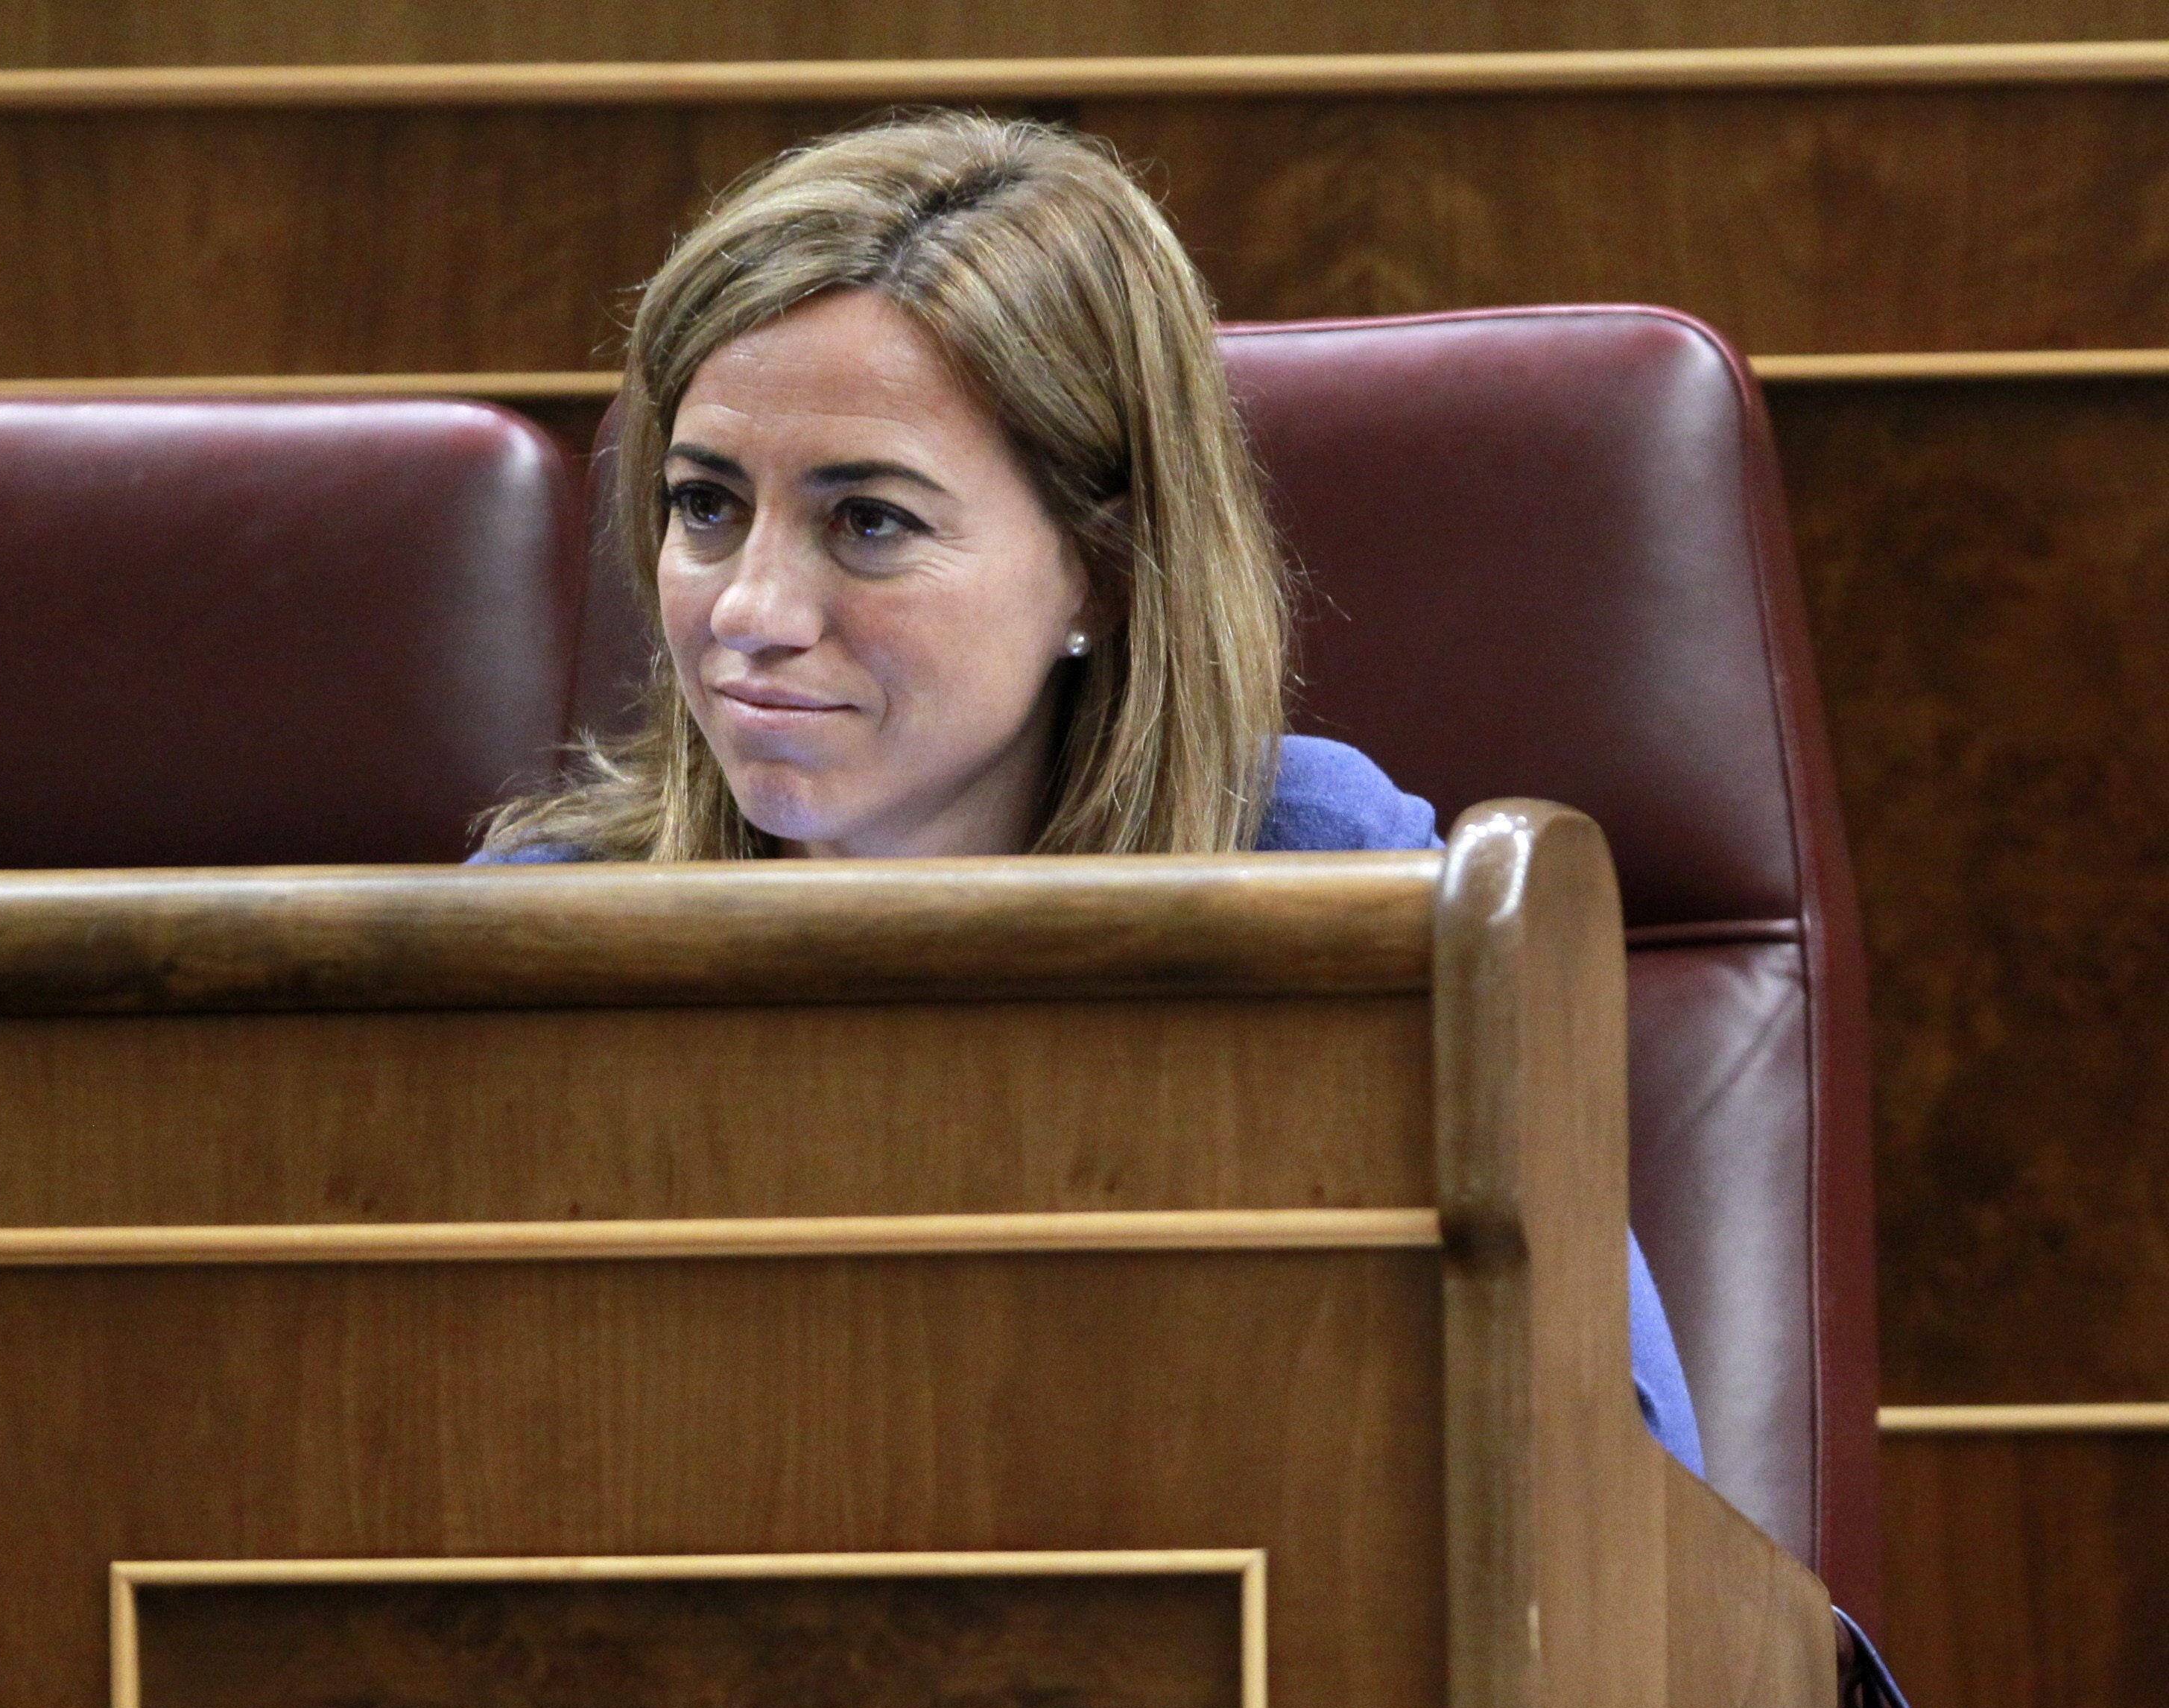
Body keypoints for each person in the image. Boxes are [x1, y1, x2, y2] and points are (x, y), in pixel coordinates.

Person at [474, 111, 1705, 1473]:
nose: (748, 610)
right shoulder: (543, 940)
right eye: (704, 506)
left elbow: (1619, 1494)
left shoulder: (1334, 895)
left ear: (1102, 571)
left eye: (867, 520)